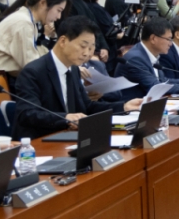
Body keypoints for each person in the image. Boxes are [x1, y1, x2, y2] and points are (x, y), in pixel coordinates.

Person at [11, 17, 141, 141]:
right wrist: (65, 118)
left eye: (91, 48)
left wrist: (124, 107)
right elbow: (27, 113)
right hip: (41, 140)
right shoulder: (33, 72)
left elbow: (87, 107)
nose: (86, 53)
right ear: (62, 41)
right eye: (83, 46)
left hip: (70, 136)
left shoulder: (73, 70)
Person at [116, 17, 179, 100]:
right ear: (153, 38)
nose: (171, 44)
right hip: (132, 109)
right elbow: (156, 87)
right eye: (168, 39)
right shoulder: (135, 59)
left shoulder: (151, 54)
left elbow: (162, 80)